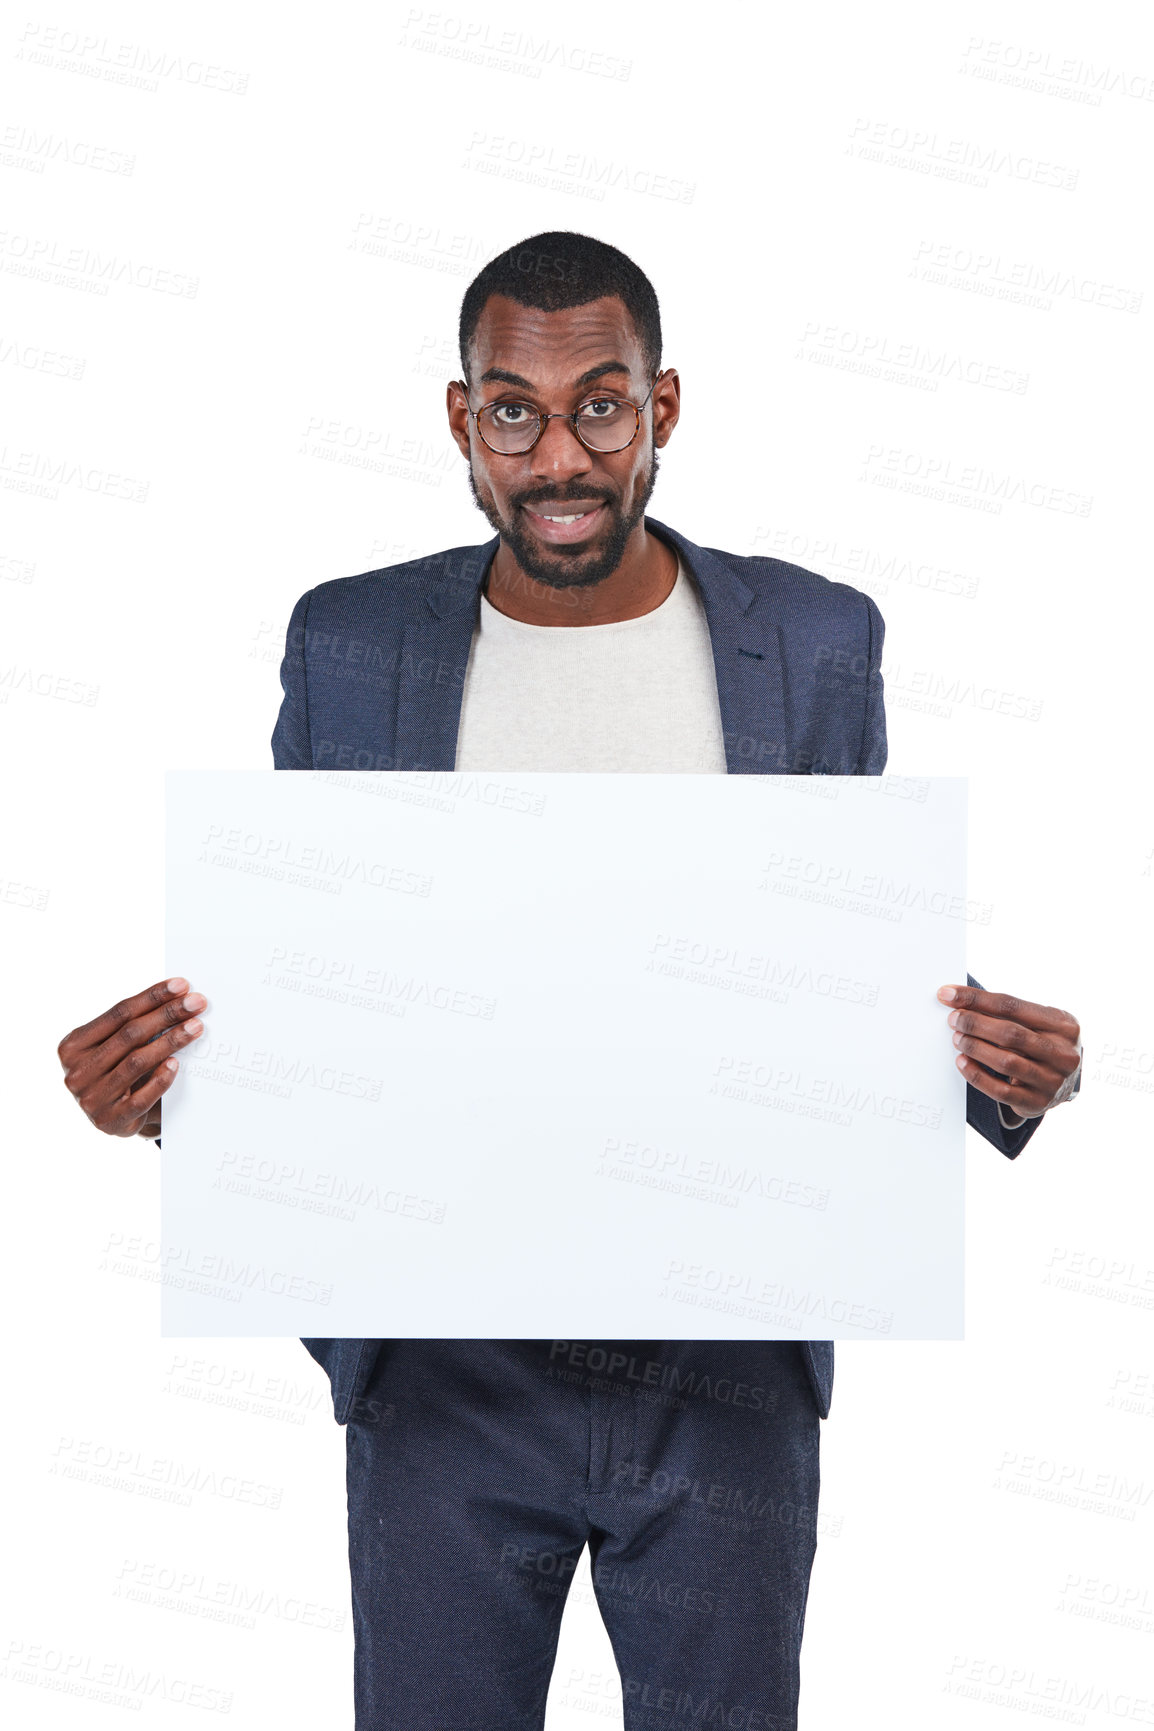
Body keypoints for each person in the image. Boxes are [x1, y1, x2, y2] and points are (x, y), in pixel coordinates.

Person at [57, 231, 1082, 1731]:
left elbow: (841, 961)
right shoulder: (350, 645)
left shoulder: (808, 641)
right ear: (460, 420)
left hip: (725, 1366)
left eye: (599, 405)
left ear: (664, 409)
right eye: (512, 409)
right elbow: (307, 995)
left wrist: (1008, 1079)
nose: (558, 454)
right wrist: (157, 1101)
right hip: (441, 1369)